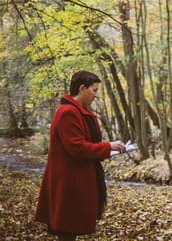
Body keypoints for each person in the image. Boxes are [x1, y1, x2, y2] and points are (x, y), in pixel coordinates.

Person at [35, 71, 126, 241]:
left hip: (75, 178)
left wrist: (108, 147)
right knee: (67, 229)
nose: (96, 95)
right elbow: (76, 148)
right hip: (69, 181)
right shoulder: (68, 112)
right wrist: (108, 146)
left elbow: (84, 142)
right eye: (94, 90)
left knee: (69, 228)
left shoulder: (78, 111)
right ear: (82, 88)